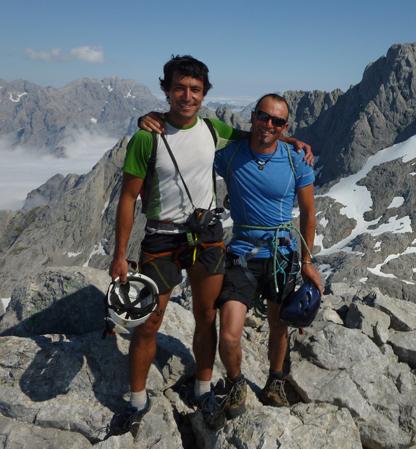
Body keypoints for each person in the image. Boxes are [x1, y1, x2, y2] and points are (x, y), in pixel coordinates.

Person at [109, 55, 310, 435]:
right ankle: (136, 402)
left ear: (204, 94)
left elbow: (260, 138)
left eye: (195, 90)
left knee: (206, 316)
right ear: (167, 90)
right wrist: (120, 255)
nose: (188, 96)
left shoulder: (213, 129)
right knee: (149, 323)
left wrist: (290, 139)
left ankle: (204, 389)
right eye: (180, 88)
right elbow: (127, 198)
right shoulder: (145, 137)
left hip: (207, 237)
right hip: (161, 237)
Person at [211, 93, 322, 419]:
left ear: (285, 126)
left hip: (281, 255)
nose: (268, 125)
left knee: (278, 327)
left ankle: (275, 381)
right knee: (229, 334)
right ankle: (235, 383)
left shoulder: (295, 160)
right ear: (253, 117)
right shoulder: (230, 155)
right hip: (241, 253)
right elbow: (192, 143)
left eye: (278, 122)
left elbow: (308, 213)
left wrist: (306, 262)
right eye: (263, 117)